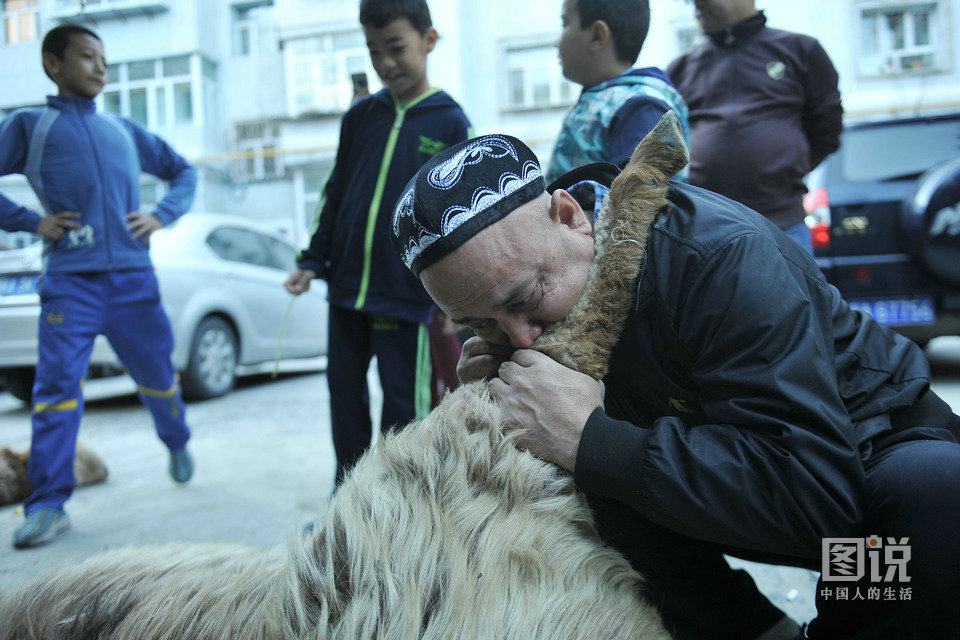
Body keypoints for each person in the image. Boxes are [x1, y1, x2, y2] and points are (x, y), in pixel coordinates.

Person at [390, 132, 960, 640]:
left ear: (570, 216)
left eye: (526, 300)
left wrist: (594, 439)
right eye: (481, 323)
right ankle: (760, 629)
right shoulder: (531, 315)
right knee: (579, 493)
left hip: (856, 492)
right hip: (726, 498)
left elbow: (819, 504)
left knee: (930, 502)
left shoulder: (718, 257)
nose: (521, 338)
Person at [0, 24, 197, 549]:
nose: (100, 67)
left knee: (158, 376)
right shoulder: (29, 126)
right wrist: (28, 220)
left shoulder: (123, 129)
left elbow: (183, 173)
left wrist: (161, 214)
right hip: (70, 284)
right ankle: (46, 504)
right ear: (52, 64)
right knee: (57, 391)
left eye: (104, 58)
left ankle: (176, 439)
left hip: (134, 280)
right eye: (87, 57)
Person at [283, 0, 472, 486]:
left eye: (396, 48)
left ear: (428, 41)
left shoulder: (450, 121)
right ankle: (345, 505)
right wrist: (312, 259)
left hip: (403, 297)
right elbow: (336, 193)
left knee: (403, 413)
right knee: (344, 405)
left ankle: (402, 511)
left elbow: (460, 215)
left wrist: (459, 291)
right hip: (345, 293)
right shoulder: (359, 118)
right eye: (373, 50)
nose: (386, 63)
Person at [666, 0, 842, 254]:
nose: (696, 3)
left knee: (792, 295)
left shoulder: (802, 51)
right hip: (707, 232)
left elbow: (828, 131)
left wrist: (786, 167)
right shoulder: (681, 68)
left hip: (784, 226)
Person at [546, 0, 689, 184]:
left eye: (565, 24)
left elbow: (641, 202)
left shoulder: (642, 108)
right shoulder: (602, 98)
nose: (556, 43)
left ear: (597, 36)